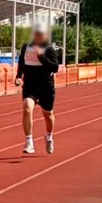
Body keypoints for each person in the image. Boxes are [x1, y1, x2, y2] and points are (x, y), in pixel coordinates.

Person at [14, 23, 59, 154]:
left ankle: (49, 136)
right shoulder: (26, 47)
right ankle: (29, 142)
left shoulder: (49, 49)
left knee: (48, 114)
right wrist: (18, 76)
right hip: (30, 85)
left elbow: (54, 67)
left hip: (46, 86)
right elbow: (22, 62)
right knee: (27, 108)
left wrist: (41, 56)